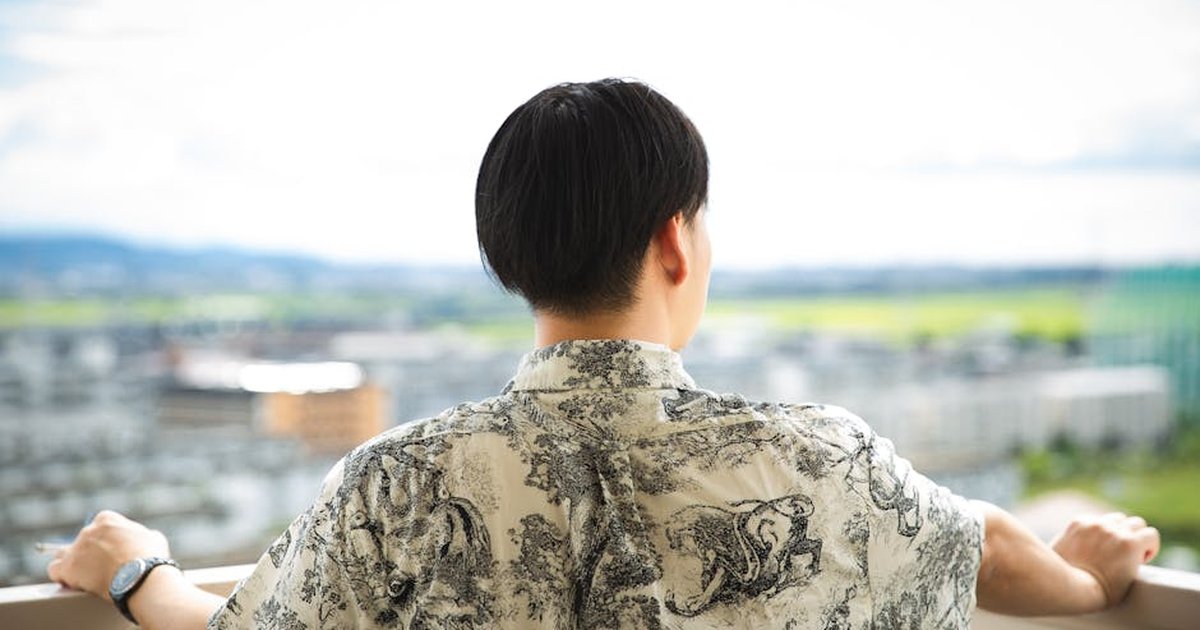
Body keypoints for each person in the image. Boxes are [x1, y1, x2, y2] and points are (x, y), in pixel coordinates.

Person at [48, 78, 1160, 629]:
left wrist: (138, 568)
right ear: (676, 239)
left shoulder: (397, 483)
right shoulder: (827, 459)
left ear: (508, 256)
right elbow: (986, 544)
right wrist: (1089, 576)